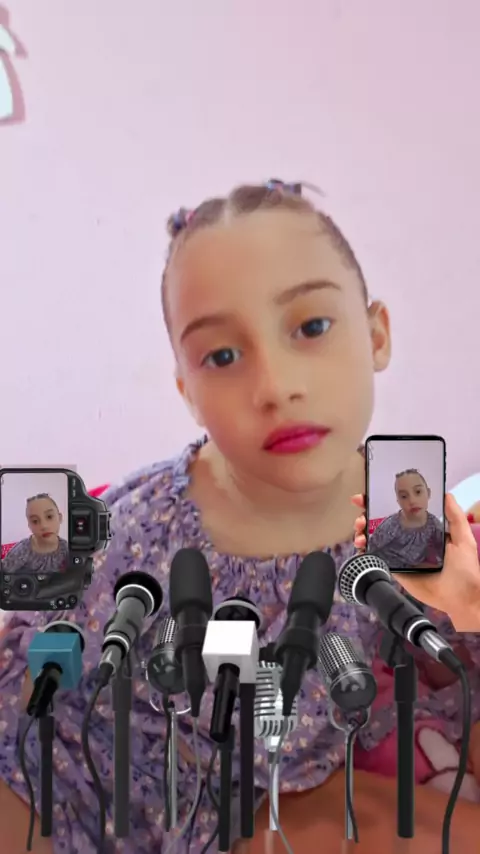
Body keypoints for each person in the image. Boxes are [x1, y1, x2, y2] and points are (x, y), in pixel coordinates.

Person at [1, 179, 480, 854]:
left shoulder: (410, 514)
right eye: (222, 356)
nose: (275, 387)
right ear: (187, 392)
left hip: (271, 806)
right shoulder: (137, 535)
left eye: (311, 327)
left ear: (376, 335)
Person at [368, 468, 444, 569]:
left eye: (418, 492)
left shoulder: (433, 524)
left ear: (428, 493)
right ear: (398, 502)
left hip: (412, 566)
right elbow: (370, 550)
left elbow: (445, 549)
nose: (412, 501)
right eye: (404, 496)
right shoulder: (390, 526)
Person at [1, 493, 69, 574]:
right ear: (29, 526)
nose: (44, 526)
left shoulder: (67, 548)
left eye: (49, 517)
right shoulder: (21, 550)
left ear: (60, 518)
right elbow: (4, 573)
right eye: (35, 521)